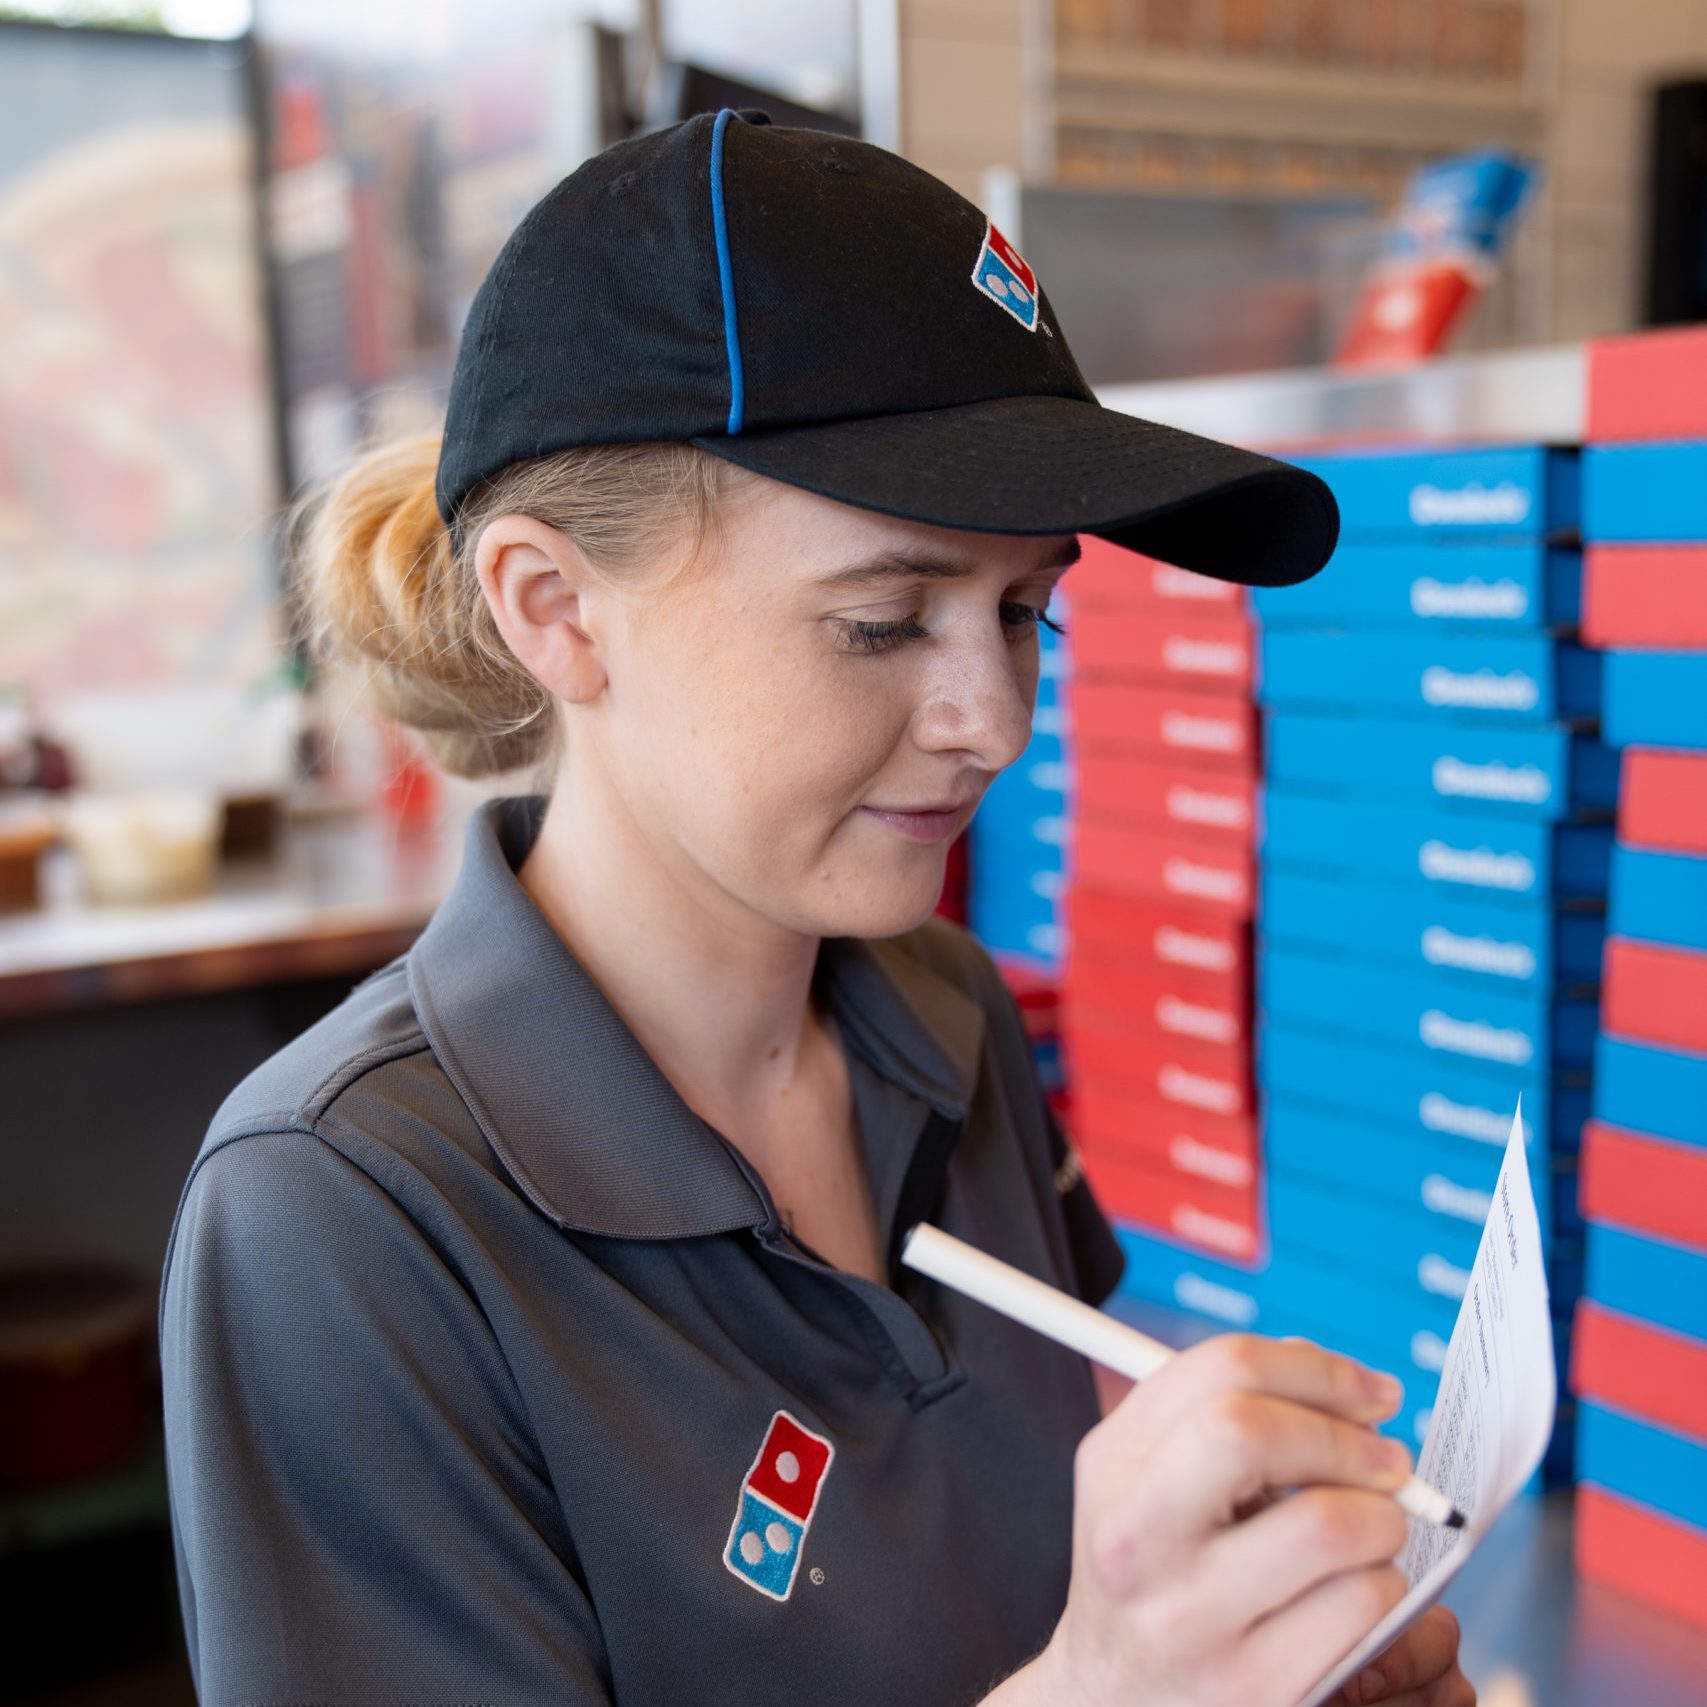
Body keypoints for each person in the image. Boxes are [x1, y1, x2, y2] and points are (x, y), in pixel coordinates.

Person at [158, 107, 1474, 1707]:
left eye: (1020, 610)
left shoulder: (946, 1016)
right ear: (557, 611)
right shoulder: (340, 1221)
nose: (991, 717)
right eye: (882, 622)